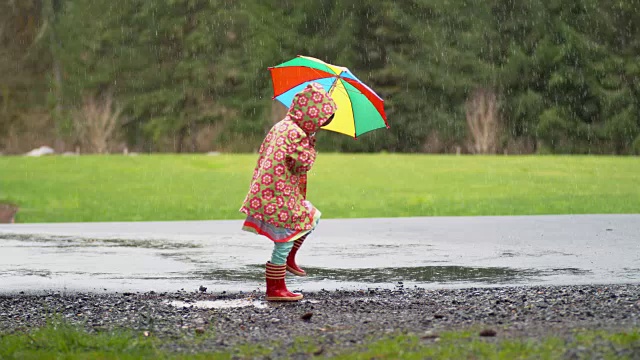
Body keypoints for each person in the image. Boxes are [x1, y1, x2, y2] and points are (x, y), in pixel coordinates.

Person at [240, 82, 336, 301]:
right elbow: (300, 165)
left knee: (313, 217)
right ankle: (275, 288)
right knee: (284, 240)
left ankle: (289, 258)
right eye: (320, 122)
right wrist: (311, 148)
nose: (319, 127)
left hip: (271, 190)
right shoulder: (298, 134)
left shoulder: (283, 126)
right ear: (312, 117)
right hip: (278, 195)